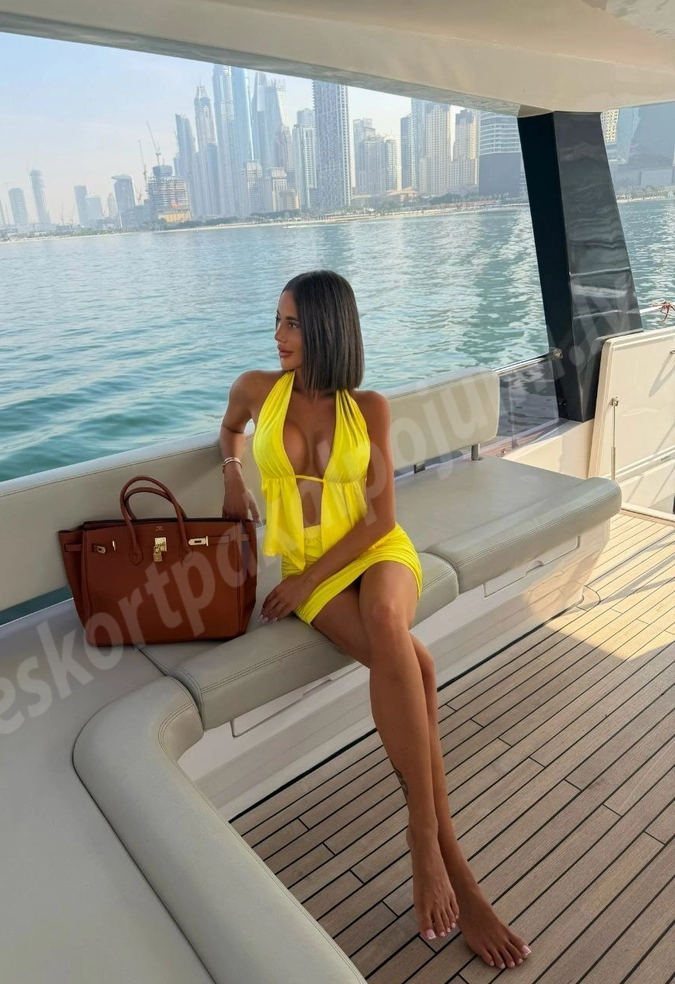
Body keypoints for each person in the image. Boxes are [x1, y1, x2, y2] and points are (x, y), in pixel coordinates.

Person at [219, 270, 531, 972]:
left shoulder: (369, 408)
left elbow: (381, 518)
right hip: (307, 565)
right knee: (417, 664)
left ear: (329, 328)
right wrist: (233, 475)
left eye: (292, 323)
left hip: (370, 551)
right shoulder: (256, 390)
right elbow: (229, 430)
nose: (277, 336)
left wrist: (304, 581)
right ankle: (454, 866)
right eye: (276, 320)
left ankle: (424, 841)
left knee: (392, 621)